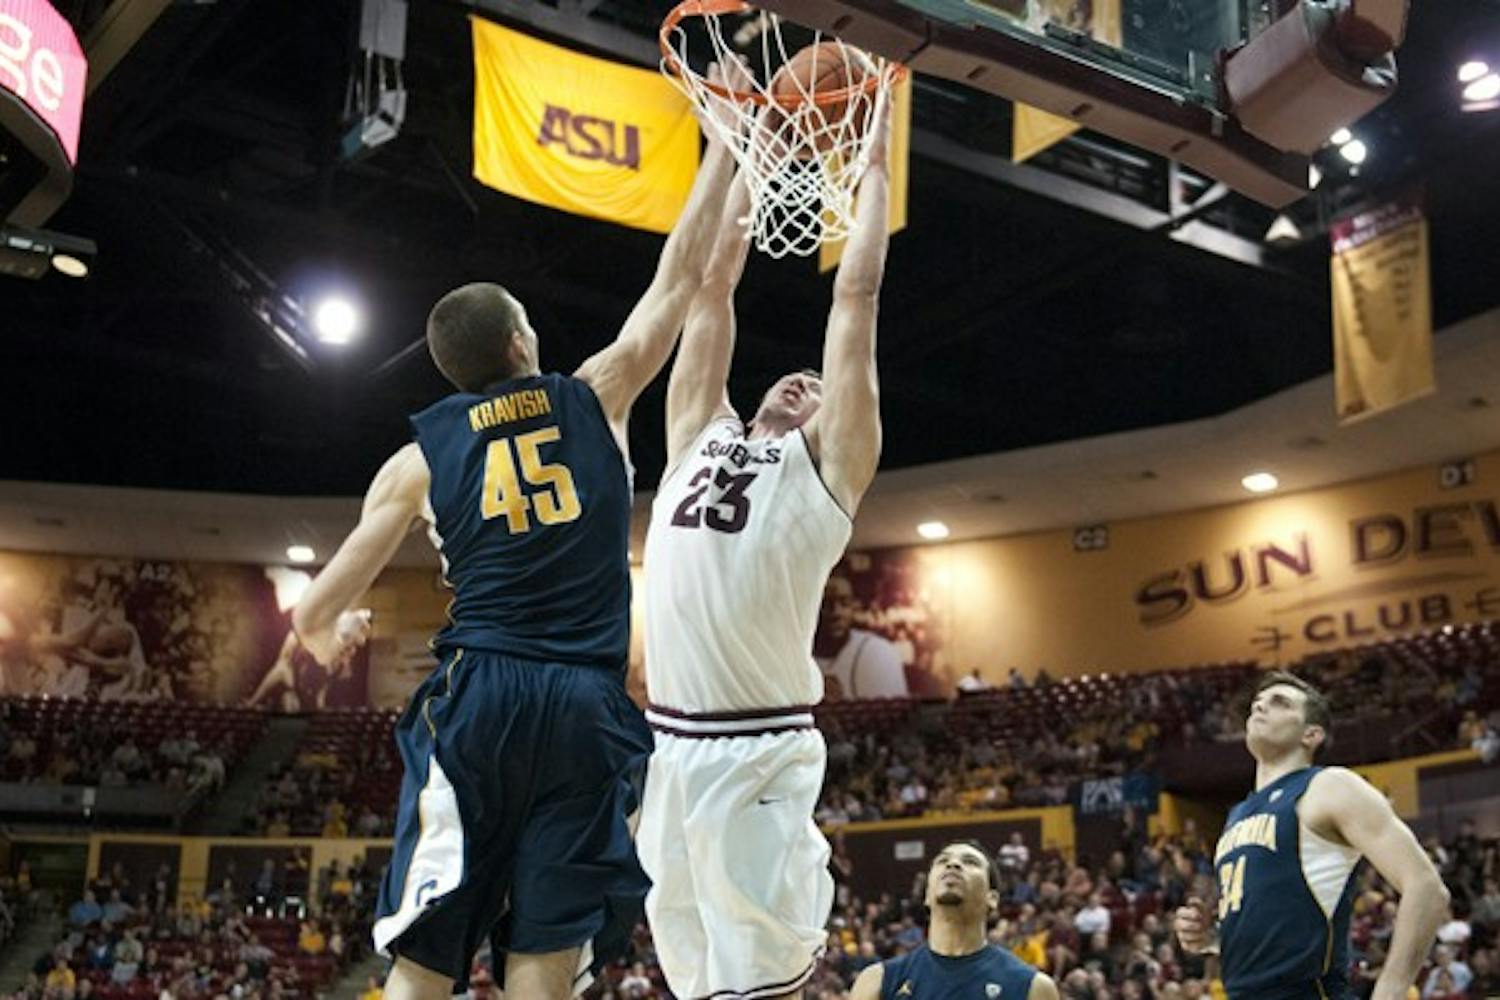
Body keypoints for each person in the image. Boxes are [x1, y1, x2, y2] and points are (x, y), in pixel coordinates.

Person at [290, 64, 743, 1000]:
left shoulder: (414, 463)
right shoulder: (597, 393)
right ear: (522, 344)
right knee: (545, 959)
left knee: (423, 955)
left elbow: (320, 606)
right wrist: (728, 137)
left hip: (479, 699)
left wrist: (328, 633)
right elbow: (685, 273)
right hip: (583, 702)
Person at [636, 105, 893, 999]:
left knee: (764, 985)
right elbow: (710, 288)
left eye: (822, 387)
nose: (805, 380)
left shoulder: (826, 476)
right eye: (796, 376)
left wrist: (877, 166)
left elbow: (853, 301)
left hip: (755, 749)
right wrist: (751, 154)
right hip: (670, 747)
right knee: (693, 981)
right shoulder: (692, 439)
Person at [1173, 672, 1450, 1000]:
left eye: (1279, 703)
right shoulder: (1237, 815)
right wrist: (1212, 938)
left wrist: (1389, 993)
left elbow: (1427, 888)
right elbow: (1278, 928)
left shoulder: (1329, 786)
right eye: (1257, 703)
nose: (1260, 707)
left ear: (1311, 734)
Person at [850, 840, 1061, 1000]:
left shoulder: (1033, 988)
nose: (953, 864)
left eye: (970, 862)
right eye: (943, 861)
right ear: (927, 894)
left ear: (992, 898)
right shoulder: (876, 982)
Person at [815, 574, 908, 700]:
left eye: (844, 603)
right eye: (826, 604)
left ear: (854, 606)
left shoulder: (879, 652)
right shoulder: (795, 656)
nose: (836, 612)